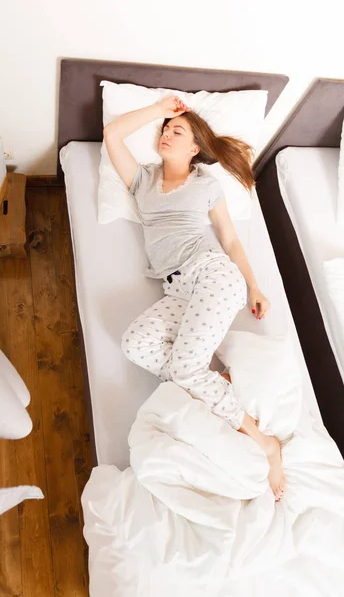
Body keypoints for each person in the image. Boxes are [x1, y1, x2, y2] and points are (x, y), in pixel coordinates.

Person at [104, 95, 285, 501]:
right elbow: (112, 134)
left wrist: (253, 286)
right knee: (136, 343)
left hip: (213, 274)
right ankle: (212, 383)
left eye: (177, 131)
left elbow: (231, 239)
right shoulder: (142, 180)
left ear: (195, 148)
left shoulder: (206, 185)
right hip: (178, 286)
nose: (167, 134)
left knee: (185, 371)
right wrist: (162, 111)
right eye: (165, 131)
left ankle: (262, 440)